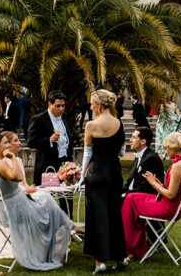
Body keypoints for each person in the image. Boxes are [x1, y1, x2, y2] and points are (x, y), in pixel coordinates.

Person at [0, 129, 73, 271]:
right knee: (47, 203)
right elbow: (17, 177)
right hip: (16, 211)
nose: (8, 147)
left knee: (44, 198)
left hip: (2, 213)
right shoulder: (1, 164)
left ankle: (70, 227)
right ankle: (70, 228)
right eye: (5, 143)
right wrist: (12, 158)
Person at [122, 132, 181, 263]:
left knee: (130, 200)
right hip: (171, 205)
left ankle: (133, 248)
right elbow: (172, 191)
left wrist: (154, 184)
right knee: (132, 198)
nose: (165, 151)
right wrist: (160, 185)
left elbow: (171, 195)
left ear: (173, 147)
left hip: (169, 208)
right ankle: (136, 246)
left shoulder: (178, 166)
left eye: (166, 148)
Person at [79, 89, 127, 274]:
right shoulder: (118, 123)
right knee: (114, 214)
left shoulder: (91, 125)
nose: (90, 106)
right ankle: (121, 257)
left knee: (97, 216)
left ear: (99, 105)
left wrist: (82, 175)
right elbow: (122, 151)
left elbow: (87, 153)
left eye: (91, 103)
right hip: (114, 173)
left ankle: (100, 262)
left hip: (97, 173)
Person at [26, 91, 73, 186]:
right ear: (49, 104)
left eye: (63, 106)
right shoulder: (38, 119)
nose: (61, 109)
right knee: (46, 198)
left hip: (65, 165)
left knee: (66, 198)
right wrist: (49, 140)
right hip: (47, 165)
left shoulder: (64, 117)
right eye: (58, 106)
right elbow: (31, 142)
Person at [123, 127, 163, 197]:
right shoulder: (139, 156)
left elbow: (145, 188)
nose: (130, 140)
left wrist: (125, 195)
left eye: (134, 137)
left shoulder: (152, 159)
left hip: (143, 197)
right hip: (132, 194)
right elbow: (130, 182)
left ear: (143, 142)